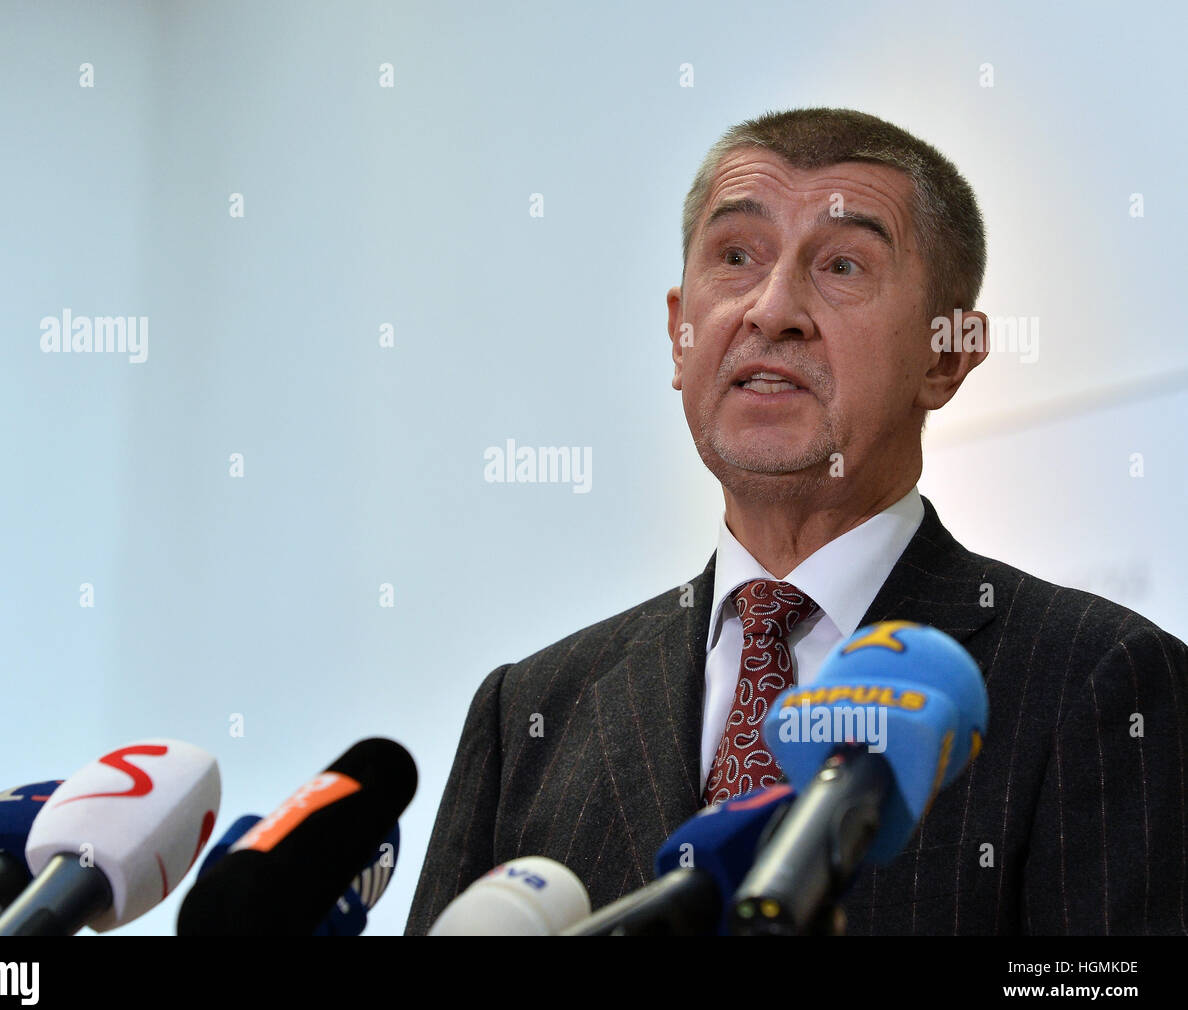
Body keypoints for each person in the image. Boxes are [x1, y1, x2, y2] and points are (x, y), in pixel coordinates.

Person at [405, 107, 1188, 935]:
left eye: (843, 264)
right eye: (736, 257)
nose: (771, 310)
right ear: (679, 333)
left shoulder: (1102, 681)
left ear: (946, 354)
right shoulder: (529, 710)